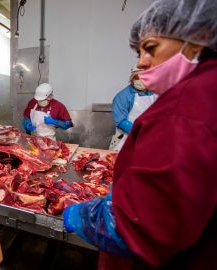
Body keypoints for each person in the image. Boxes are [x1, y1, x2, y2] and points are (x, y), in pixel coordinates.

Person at [63, 0, 217, 269]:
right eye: (138, 52)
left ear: (198, 39)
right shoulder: (203, 91)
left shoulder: (184, 107)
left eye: (151, 48)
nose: (142, 62)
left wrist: (85, 216)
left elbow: (144, 224)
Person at [109, 68, 157, 151]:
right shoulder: (123, 96)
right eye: (137, 78)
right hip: (126, 140)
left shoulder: (155, 93)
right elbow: (120, 121)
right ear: (132, 79)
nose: (141, 80)